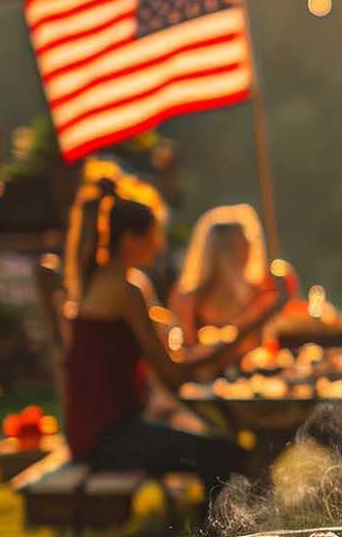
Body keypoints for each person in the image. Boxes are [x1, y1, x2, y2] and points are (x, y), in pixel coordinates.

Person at [60, 177, 247, 483]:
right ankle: (211, 531)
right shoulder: (126, 288)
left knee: (219, 450)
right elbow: (170, 374)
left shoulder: (99, 280)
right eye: (152, 236)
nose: (158, 245)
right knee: (229, 456)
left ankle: (204, 528)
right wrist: (228, 343)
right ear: (129, 240)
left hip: (94, 432)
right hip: (109, 438)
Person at [168, 204, 284, 348]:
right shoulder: (188, 297)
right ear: (225, 252)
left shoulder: (256, 292)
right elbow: (182, 349)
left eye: (249, 243)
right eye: (243, 244)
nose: (250, 250)